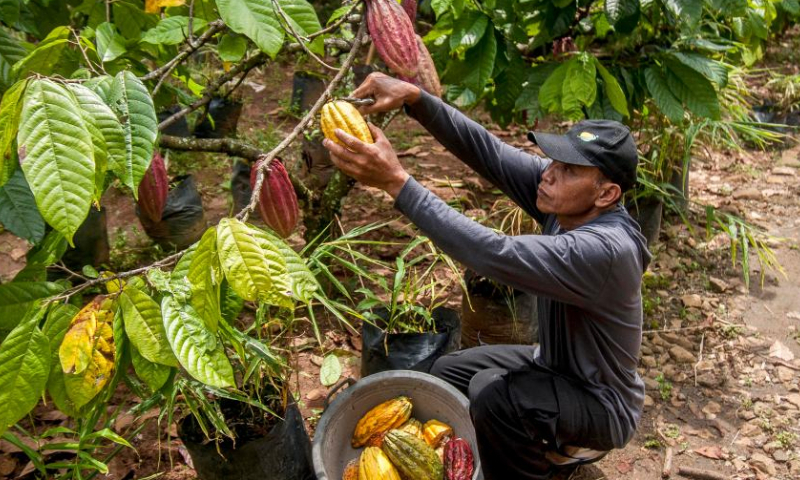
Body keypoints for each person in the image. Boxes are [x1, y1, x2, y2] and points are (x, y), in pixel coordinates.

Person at [322, 72, 651, 480]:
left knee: (495, 398)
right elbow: (489, 153)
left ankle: (552, 467)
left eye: (568, 169)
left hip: (600, 404)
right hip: (552, 365)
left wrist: (395, 181)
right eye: (554, 161)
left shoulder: (605, 249)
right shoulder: (565, 199)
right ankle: (509, 456)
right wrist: (416, 98)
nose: (548, 173)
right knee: (446, 375)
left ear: (606, 194)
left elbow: (493, 253)